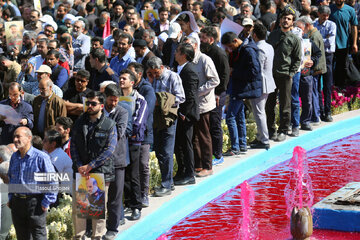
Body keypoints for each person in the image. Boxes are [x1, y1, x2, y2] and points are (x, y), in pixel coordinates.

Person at [70, 91, 117, 239]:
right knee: (80, 211)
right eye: (87, 103)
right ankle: (80, 237)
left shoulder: (109, 124)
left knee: (98, 211)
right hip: (81, 171)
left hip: (100, 172)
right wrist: (79, 165)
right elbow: (73, 146)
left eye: (93, 103)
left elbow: (109, 150)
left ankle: (97, 237)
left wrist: (90, 166)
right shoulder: (79, 122)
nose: (89, 106)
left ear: (101, 106)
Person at [8, 127, 57, 240]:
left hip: (35, 203)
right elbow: (11, 178)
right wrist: (11, 198)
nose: (15, 139)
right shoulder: (14, 157)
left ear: (29, 138)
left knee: (38, 236)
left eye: (18, 136)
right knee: (22, 236)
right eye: (14, 136)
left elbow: (52, 181)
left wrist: (46, 202)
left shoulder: (41, 157)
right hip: (17, 203)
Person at [146, 56, 185, 196]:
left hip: (169, 117)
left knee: (167, 151)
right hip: (155, 118)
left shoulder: (173, 77)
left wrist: (162, 100)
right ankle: (169, 181)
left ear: (161, 67)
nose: (155, 76)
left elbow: (181, 97)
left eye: (156, 73)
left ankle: (166, 184)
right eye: (152, 73)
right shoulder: (151, 78)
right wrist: (149, 80)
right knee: (158, 151)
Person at [183, 36, 219, 177]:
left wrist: (198, 92)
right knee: (195, 136)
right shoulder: (188, 60)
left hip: (203, 103)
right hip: (192, 103)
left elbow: (215, 80)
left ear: (195, 46)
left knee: (204, 135)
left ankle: (207, 165)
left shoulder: (204, 60)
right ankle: (198, 165)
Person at [266, 8, 302, 142]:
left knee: (285, 105)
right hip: (271, 74)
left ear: (292, 22)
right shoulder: (273, 35)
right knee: (269, 104)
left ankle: (283, 130)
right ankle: (271, 130)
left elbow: (298, 59)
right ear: (280, 20)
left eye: (288, 19)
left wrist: (291, 73)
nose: (285, 21)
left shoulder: (294, 39)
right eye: (284, 18)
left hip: (285, 75)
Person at [119, 69, 148, 220]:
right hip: (120, 142)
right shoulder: (117, 98)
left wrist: (126, 132)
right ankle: (127, 202)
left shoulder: (139, 99)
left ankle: (136, 206)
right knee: (123, 174)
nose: (121, 81)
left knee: (133, 174)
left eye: (124, 79)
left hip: (133, 141)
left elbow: (138, 122)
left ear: (132, 82)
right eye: (120, 78)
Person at [200, 26, 230, 165]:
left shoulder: (219, 53)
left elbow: (224, 75)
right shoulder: (204, 51)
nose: (201, 40)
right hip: (209, 92)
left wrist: (218, 93)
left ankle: (218, 154)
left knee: (215, 123)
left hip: (218, 93)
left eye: (204, 37)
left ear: (211, 39)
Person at [128, 62, 156, 207]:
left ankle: (144, 194)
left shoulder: (147, 90)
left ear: (139, 74)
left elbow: (147, 111)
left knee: (143, 165)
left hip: (143, 133)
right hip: (129, 134)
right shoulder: (126, 90)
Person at [102, 84, 129, 240]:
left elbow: (118, 133)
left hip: (117, 160)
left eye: (116, 100)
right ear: (105, 97)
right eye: (111, 100)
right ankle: (94, 227)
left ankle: (112, 227)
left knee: (115, 196)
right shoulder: (97, 111)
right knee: (96, 196)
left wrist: (100, 131)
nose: (114, 103)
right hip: (99, 161)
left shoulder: (122, 112)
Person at [173, 43, 200, 185]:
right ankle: (181, 170)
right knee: (179, 144)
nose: (175, 53)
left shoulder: (189, 71)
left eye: (177, 51)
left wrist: (184, 113)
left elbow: (191, 96)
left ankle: (190, 173)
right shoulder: (179, 69)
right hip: (179, 113)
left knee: (186, 144)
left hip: (186, 115)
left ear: (184, 55)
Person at [250, 23, 276, 149]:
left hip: (261, 84)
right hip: (267, 82)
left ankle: (264, 139)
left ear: (254, 35)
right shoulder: (269, 46)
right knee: (260, 112)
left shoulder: (259, 49)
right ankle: (261, 137)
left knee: (259, 112)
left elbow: (257, 68)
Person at [314, 5, 337, 122]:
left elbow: (330, 42)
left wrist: (318, 39)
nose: (326, 18)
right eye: (323, 16)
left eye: (327, 16)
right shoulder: (313, 24)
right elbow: (311, 40)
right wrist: (323, 39)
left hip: (327, 57)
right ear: (318, 14)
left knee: (327, 86)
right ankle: (319, 111)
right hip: (317, 56)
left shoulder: (332, 25)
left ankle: (328, 112)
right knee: (317, 85)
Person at [330, 0, 358, 87]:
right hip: (329, 44)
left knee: (342, 67)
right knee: (329, 67)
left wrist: (354, 43)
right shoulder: (329, 9)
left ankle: (340, 87)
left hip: (343, 43)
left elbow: (354, 27)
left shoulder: (350, 10)